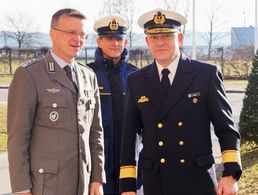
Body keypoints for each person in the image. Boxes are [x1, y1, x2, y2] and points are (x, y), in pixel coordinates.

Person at [119, 8, 242, 195]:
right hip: (156, 181)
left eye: (167, 35)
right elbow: (130, 136)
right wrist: (127, 186)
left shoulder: (205, 75)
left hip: (197, 179)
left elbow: (226, 129)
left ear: (180, 38)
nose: (160, 42)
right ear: (147, 42)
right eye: (154, 37)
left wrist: (230, 174)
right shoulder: (136, 81)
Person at [7, 8, 105, 195]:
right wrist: (21, 189)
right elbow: (18, 138)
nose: (78, 39)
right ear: (52, 34)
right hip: (46, 186)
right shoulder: (30, 75)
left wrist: (97, 178)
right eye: (71, 32)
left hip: (83, 184)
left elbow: (96, 132)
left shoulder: (88, 76)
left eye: (82, 34)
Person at [87, 15, 142, 195]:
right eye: (109, 38)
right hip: (98, 159)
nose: (115, 43)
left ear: (125, 42)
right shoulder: (87, 74)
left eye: (119, 39)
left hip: (131, 157)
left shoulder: (137, 76)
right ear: (99, 41)